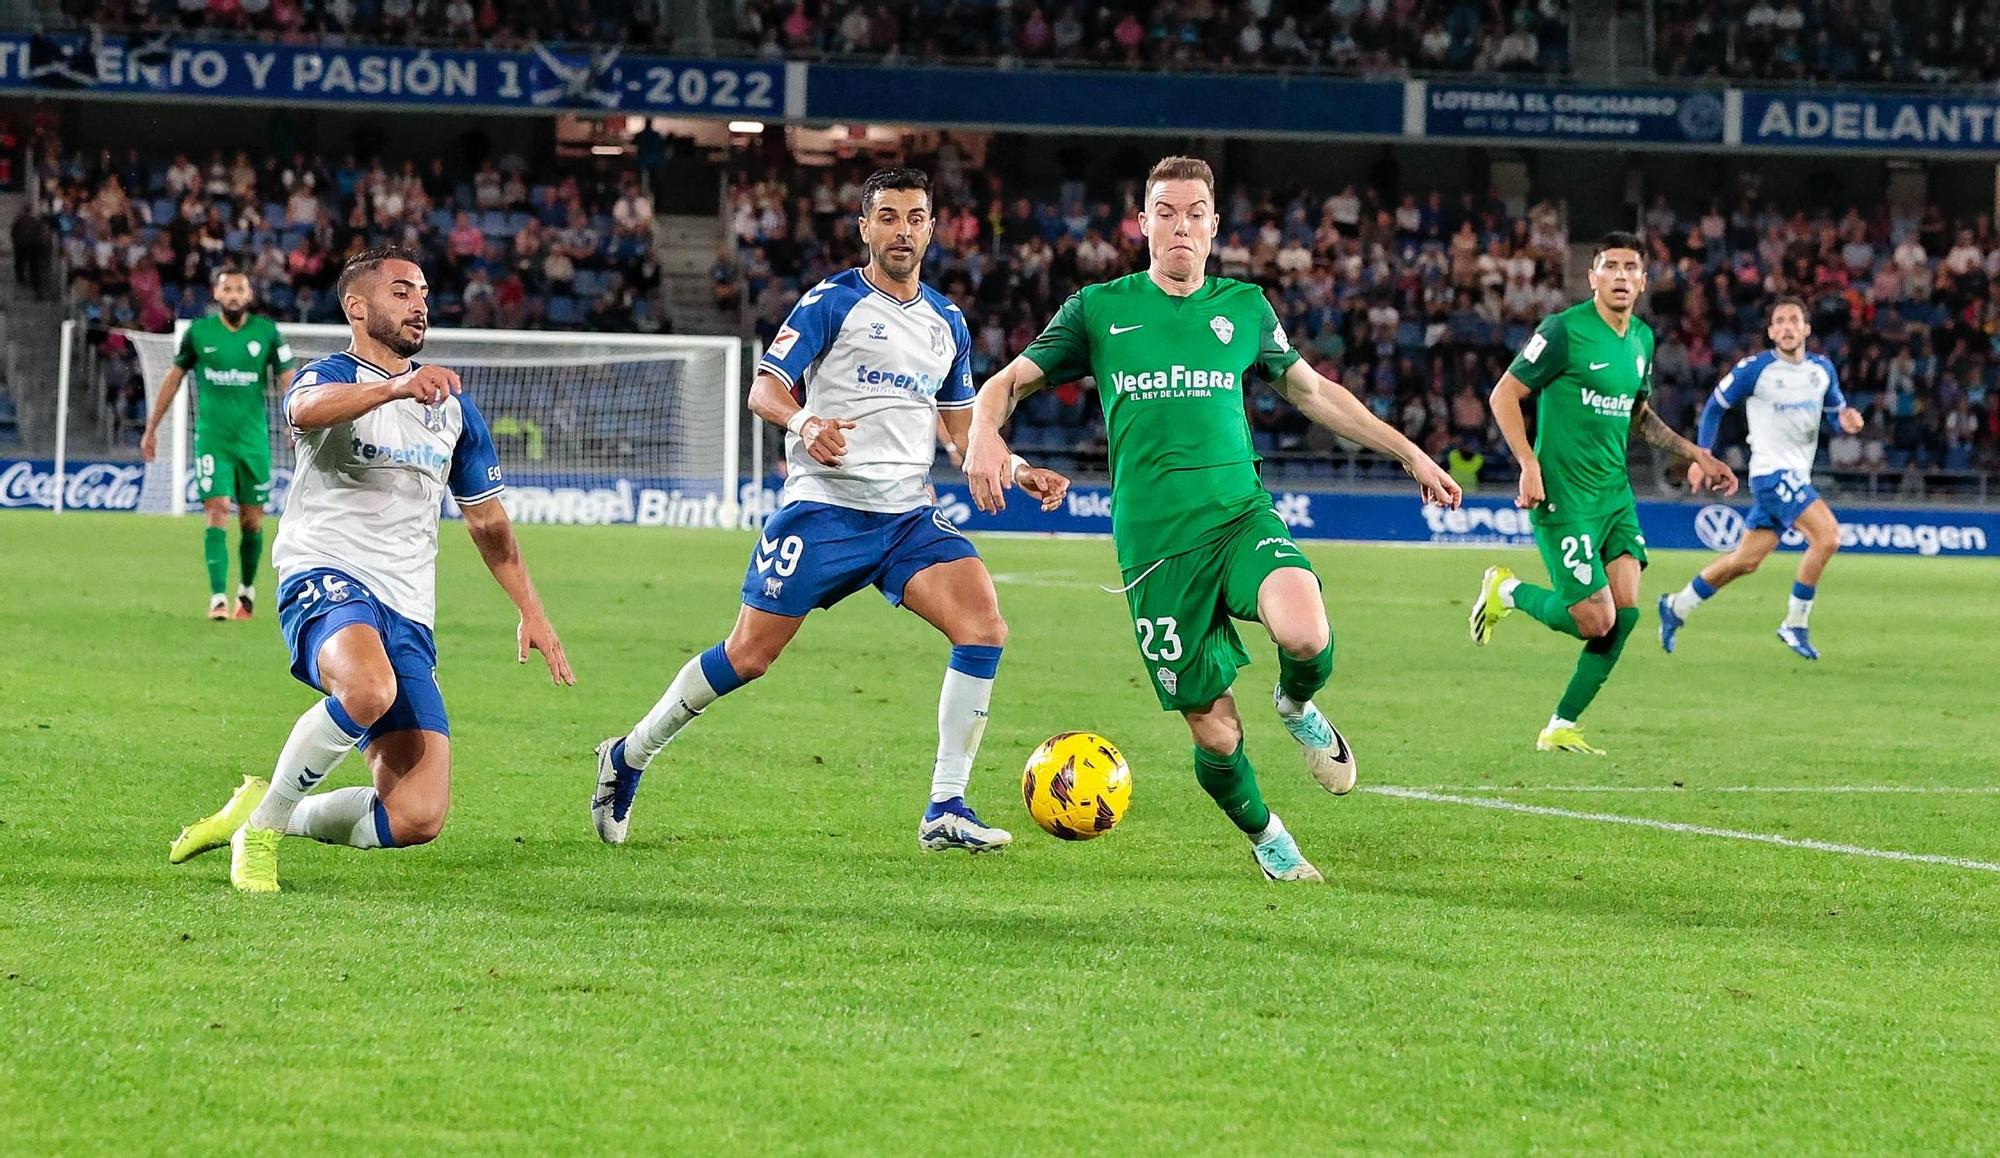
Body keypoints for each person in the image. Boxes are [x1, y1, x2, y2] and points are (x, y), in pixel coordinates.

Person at [963, 156, 1462, 883]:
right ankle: (1269, 839)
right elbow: (1007, 383)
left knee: (1306, 628)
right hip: (1157, 553)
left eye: (1195, 211)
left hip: (1237, 517)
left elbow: (1314, 393)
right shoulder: (1098, 310)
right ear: (1142, 224)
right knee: (1217, 732)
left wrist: (1409, 453)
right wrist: (984, 430)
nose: (1181, 225)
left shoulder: (1246, 308)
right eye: (1165, 211)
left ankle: (1296, 703)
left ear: (1214, 226)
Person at [592, 169, 1069, 854]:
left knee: (984, 627)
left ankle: (945, 807)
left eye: (915, 217)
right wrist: (806, 422)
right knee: (748, 656)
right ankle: (629, 755)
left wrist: (1016, 469)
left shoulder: (949, 323)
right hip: (824, 511)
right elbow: (765, 390)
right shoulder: (832, 302)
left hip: (906, 519)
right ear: (864, 226)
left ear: (933, 228)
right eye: (888, 216)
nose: (902, 230)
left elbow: (963, 434)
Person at [168, 245, 574, 892]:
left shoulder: (452, 407)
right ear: (356, 306)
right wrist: (393, 386)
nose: (419, 303)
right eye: (401, 291)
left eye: (422, 292)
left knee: (416, 816)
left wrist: (533, 612)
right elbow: (302, 412)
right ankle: (262, 839)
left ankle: (269, 808)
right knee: (366, 688)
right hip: (324, 574)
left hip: (408, 602)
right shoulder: (326, 374)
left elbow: (488, 524)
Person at [1468, 232, 1737, 755]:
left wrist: (1695, 454)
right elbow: (1504, 393)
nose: (1619, 275)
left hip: (1614, 495)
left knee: (1626, 608)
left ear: (1642, 281)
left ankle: (1560, 724)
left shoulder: (1641, 339)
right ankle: (1505, 592)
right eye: (1608, 265)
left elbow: (1638, 415)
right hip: (1564, 498)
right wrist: (1527, 463)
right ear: (1592, 277)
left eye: (1629, 266)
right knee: (1597, 620)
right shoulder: (1564, 332)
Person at [1658, 297, 1863, 660]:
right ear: (1771, 332)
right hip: (1772, 475)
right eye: (1779, 321)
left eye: (1793, 320)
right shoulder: (1755, 369)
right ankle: (1795, 623)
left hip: (1795, 475)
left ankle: (1676, 606)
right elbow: (1715, 406)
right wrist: (1702, 456)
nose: (1786, 326)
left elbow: (1834, 413)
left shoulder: (1822, 370)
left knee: (1744, 561)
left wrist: (1845, 422)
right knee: (1828, 537)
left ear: (1806, 329)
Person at [139, 268, 296, 620]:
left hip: (253, 441)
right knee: (217, 509)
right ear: (217, 294)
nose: (234, 295)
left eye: (240, 288)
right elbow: (173, 378)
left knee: (252, 522)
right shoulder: (199, 333)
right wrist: (152, 428)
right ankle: (217, 599)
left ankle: (247, 591)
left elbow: (289, 381)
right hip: (213, 440)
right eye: (228, 289)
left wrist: (294, 420)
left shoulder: (267, 333)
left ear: (250, 294)